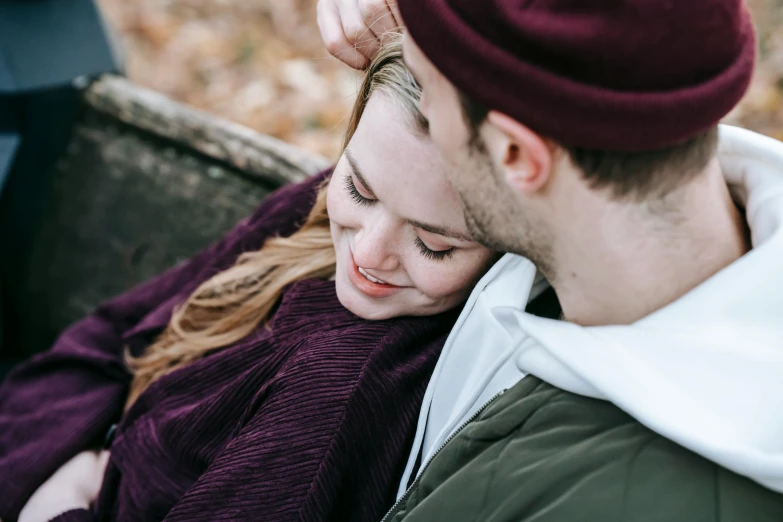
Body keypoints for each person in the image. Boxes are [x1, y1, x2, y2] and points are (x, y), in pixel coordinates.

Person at [319, 0, 783, 520]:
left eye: (425, 89)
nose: (415, 98)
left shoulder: (611, 500)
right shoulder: (580, 231)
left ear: (516, 155)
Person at [0, 39, 496, 522]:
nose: (367, 254)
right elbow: (118, 333)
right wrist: (67, 457)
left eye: (435, 244)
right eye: (359, 189)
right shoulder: (333, 206)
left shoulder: (331, 407)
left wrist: (59, 502)